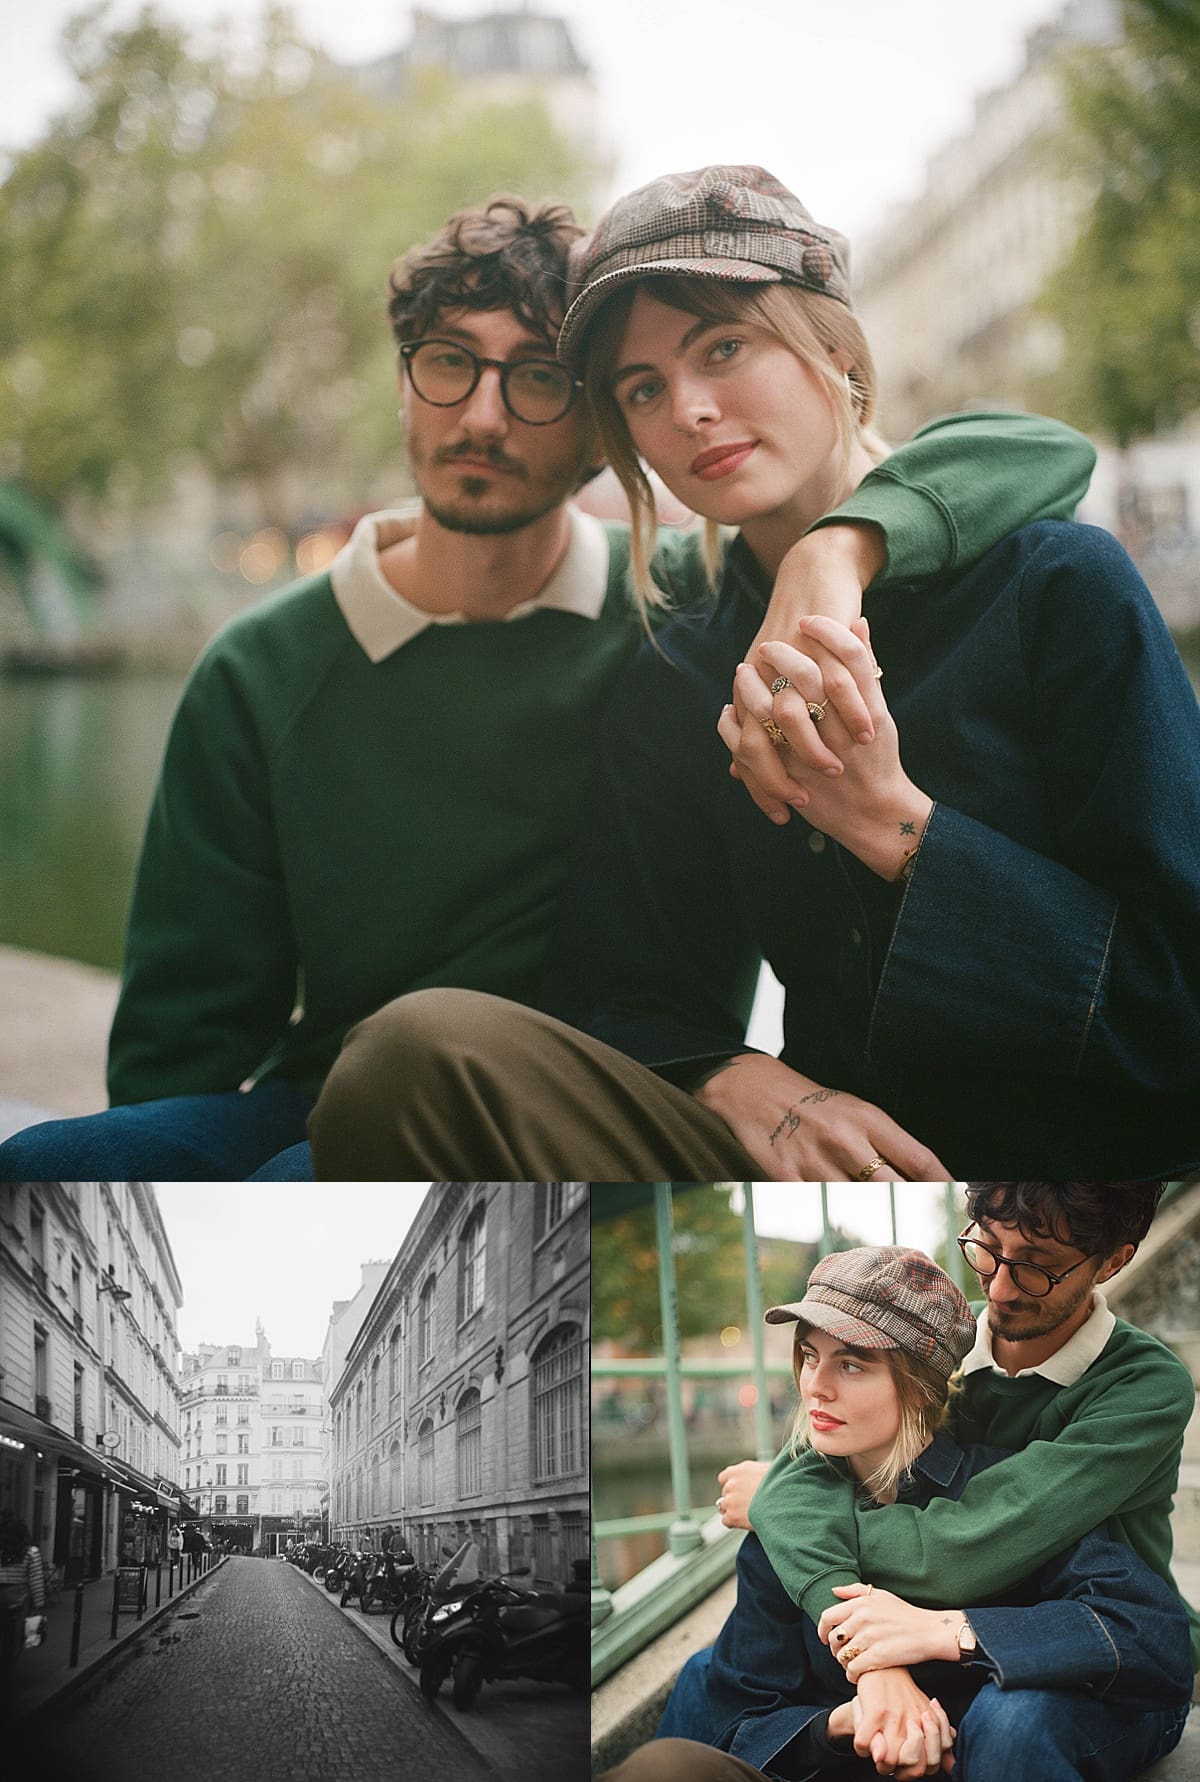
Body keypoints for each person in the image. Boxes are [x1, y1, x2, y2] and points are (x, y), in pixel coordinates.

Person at [0, 188, 1097, 1184]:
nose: (482, 417)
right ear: (404, 384)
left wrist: (835, 547)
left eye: (536, 381)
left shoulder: (685, 618)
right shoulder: (260, 668)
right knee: (50, 1172)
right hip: (334, 1087)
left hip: (607, 1099)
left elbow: (1034, 450)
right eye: (446, 362)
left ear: (597, 432)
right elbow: (180, 1031)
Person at [308, 165, 1200, 1181]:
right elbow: (621, 989)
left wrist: (895, 828)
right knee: (412, 1056)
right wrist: (735, 1078)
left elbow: (1179, 1009)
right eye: (642, 389)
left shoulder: (1056, 586)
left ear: (833, 347)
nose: (688, 409)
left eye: (723, 347)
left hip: (1088, 1181)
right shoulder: (682, 673)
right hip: (804, 1173)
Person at [602, 1245, 1192, 1782]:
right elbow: (740, 1712)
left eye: (851, 1365)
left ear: (919, 1386)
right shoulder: (788, 1520)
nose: (815, 1388)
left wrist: (953, 1634)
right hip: (849, 1766)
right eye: (810, 1356)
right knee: (669, 1755)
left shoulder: (1001, 1493)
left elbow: (1152, 1634)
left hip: (985, 1747)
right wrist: (849, 1719)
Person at [717, 1182, 1200, 1675]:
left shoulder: (1146, 1385)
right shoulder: (937, 1341)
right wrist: (789, 1508)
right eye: (987, 1247)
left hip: (1102, 1636)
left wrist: (785, 1515)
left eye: (1039, 1265)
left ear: (1113, 1262)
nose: (999, 1288)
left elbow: (967, 1545)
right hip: (956, 1636)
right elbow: (808, 1468)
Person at [0, 1518, 45, 1712]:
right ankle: (7, 1684)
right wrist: (39, 1605)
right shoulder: (30, 1552)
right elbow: (35, 1579)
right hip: (19, 1601)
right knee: (14, 1643)